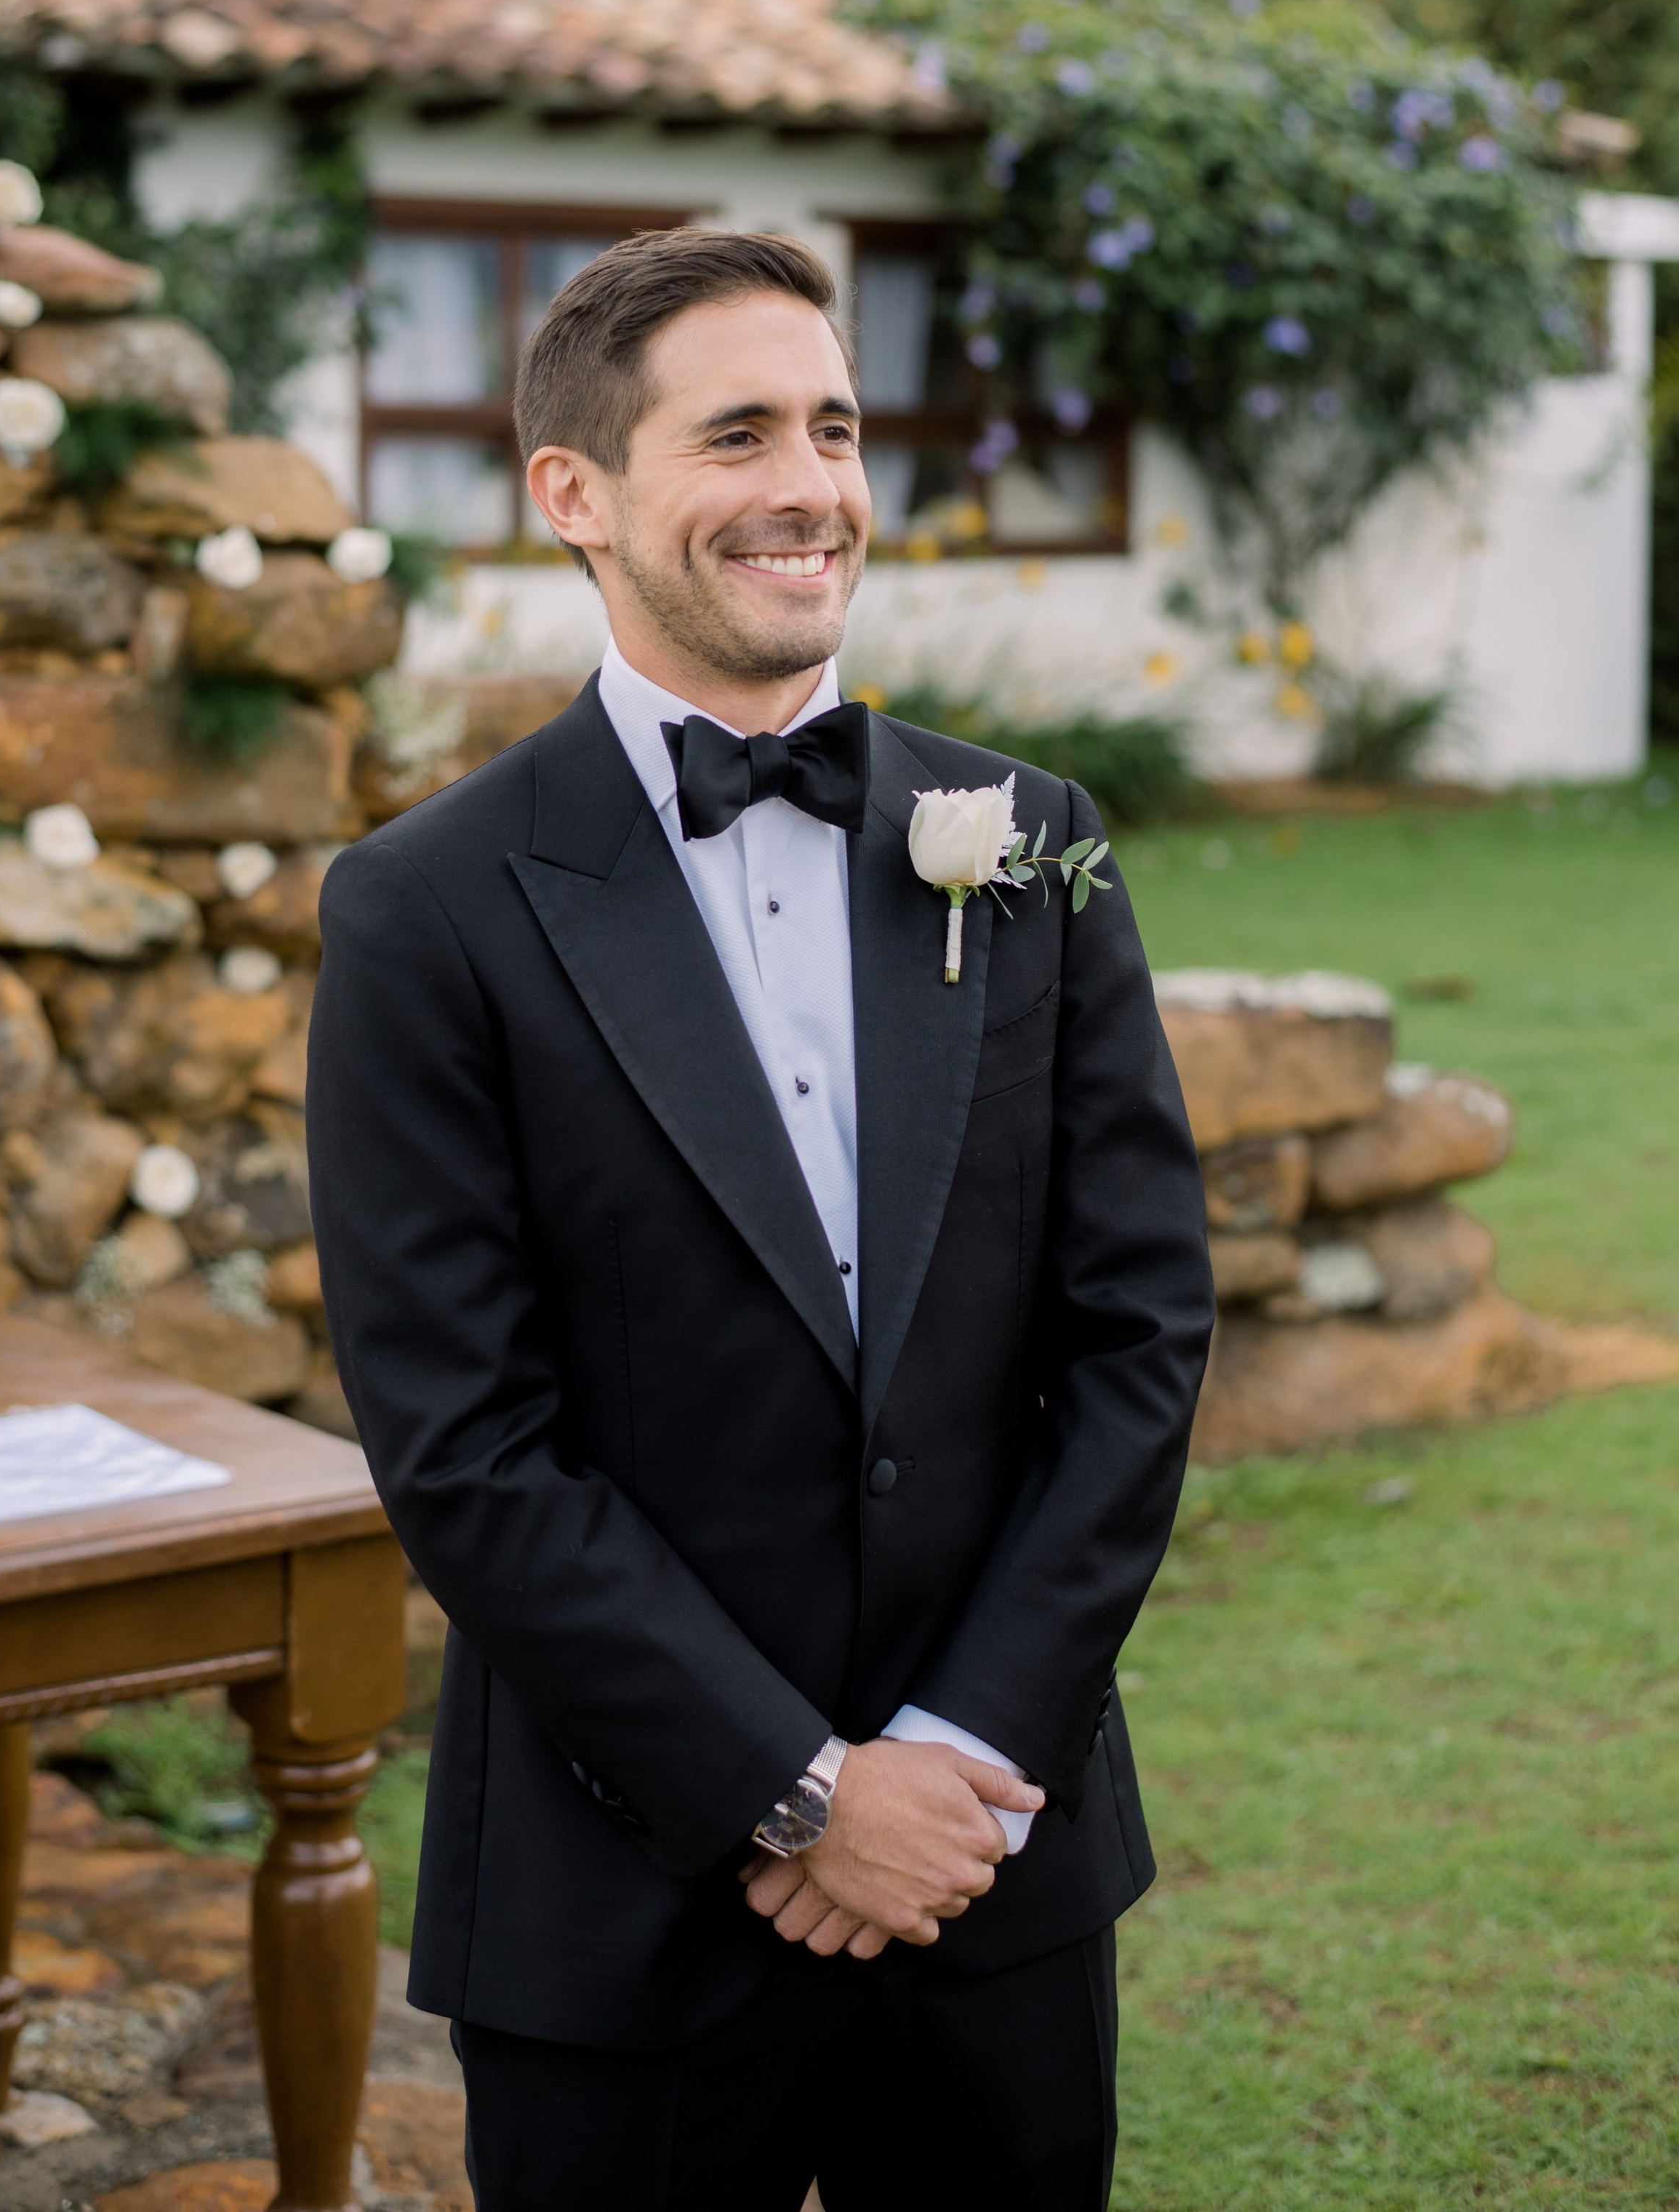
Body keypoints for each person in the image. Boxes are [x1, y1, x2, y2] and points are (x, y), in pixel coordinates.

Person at [307, 228, 1214, 2212]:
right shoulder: (424, 910)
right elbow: (464, 1443)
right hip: (617, 1896)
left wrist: (957, 1758)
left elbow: (1140, 1332)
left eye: (836, 423)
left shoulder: (1030, 840)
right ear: (576, 491)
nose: (814, 484)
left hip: (998, 1865)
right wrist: (801, 1792)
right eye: (736, 433)